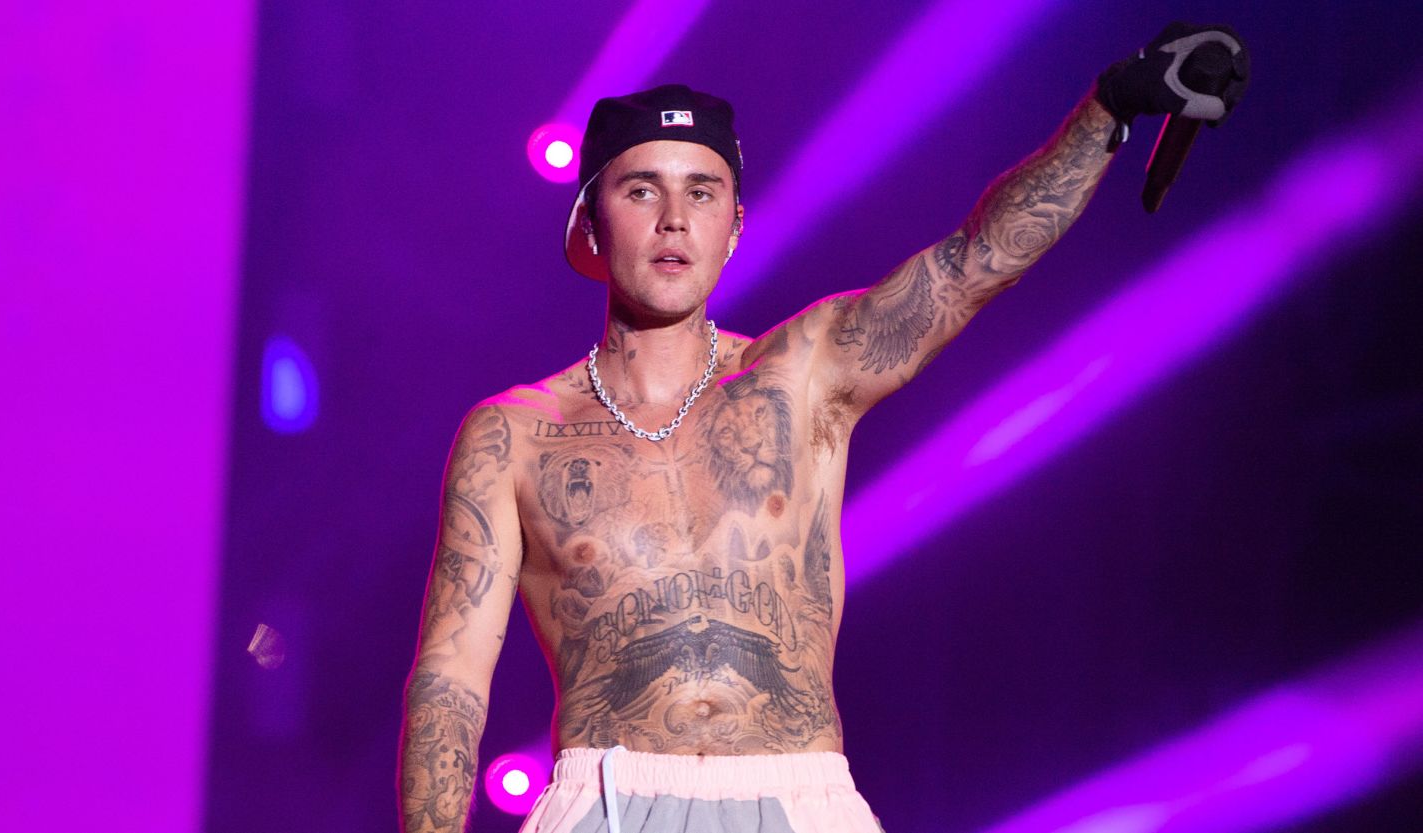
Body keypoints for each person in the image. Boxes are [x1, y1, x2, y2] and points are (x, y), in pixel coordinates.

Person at [399, 22, 1248, 833]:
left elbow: (971, 263)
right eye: (642, 189)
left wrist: (1110, 104)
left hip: (798, 793)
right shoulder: (513, 435)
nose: (674, 218)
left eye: (703, 191)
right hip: (607, 800)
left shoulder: (800, 375)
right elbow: (449, 679)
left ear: (733, 226)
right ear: (591, 220)